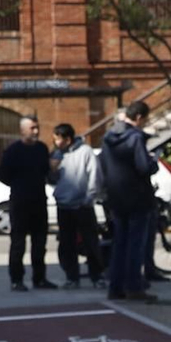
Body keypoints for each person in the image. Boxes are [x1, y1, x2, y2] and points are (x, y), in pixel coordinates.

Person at [100, 99, 159, 303]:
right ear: (139, 117)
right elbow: (143, 167)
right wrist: (154, 162)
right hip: (137, 197)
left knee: (119, 243)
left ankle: (115, 288)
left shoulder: (108, 137)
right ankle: (134, 286)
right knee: (136, 244)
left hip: (116, 197)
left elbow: (103, 166)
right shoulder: (135, 138)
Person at [0, 115, 54, 291]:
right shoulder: (13, 151)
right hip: (20, 202)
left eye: (37, 128)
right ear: (22, 131)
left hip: (38, 200)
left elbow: (46, 171)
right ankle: (16, 279)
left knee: (40, 242)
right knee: (18, 243)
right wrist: (18, 184)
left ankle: (39, 278)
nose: (36, 131)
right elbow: (2, 175)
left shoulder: (42, 149)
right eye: (32, 128)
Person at [50, 123, 104, 288]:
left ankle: (97, 276)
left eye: (58, 139)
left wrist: (89, 198)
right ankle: (72, 277)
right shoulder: (57, 154)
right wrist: (52, 170)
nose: (56, 143)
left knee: (90, 242)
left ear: (68, 139)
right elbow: (52, 180)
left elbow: (95, 175)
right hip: (64, 206)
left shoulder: (85, 152)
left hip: (82, 205)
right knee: (67, 243)